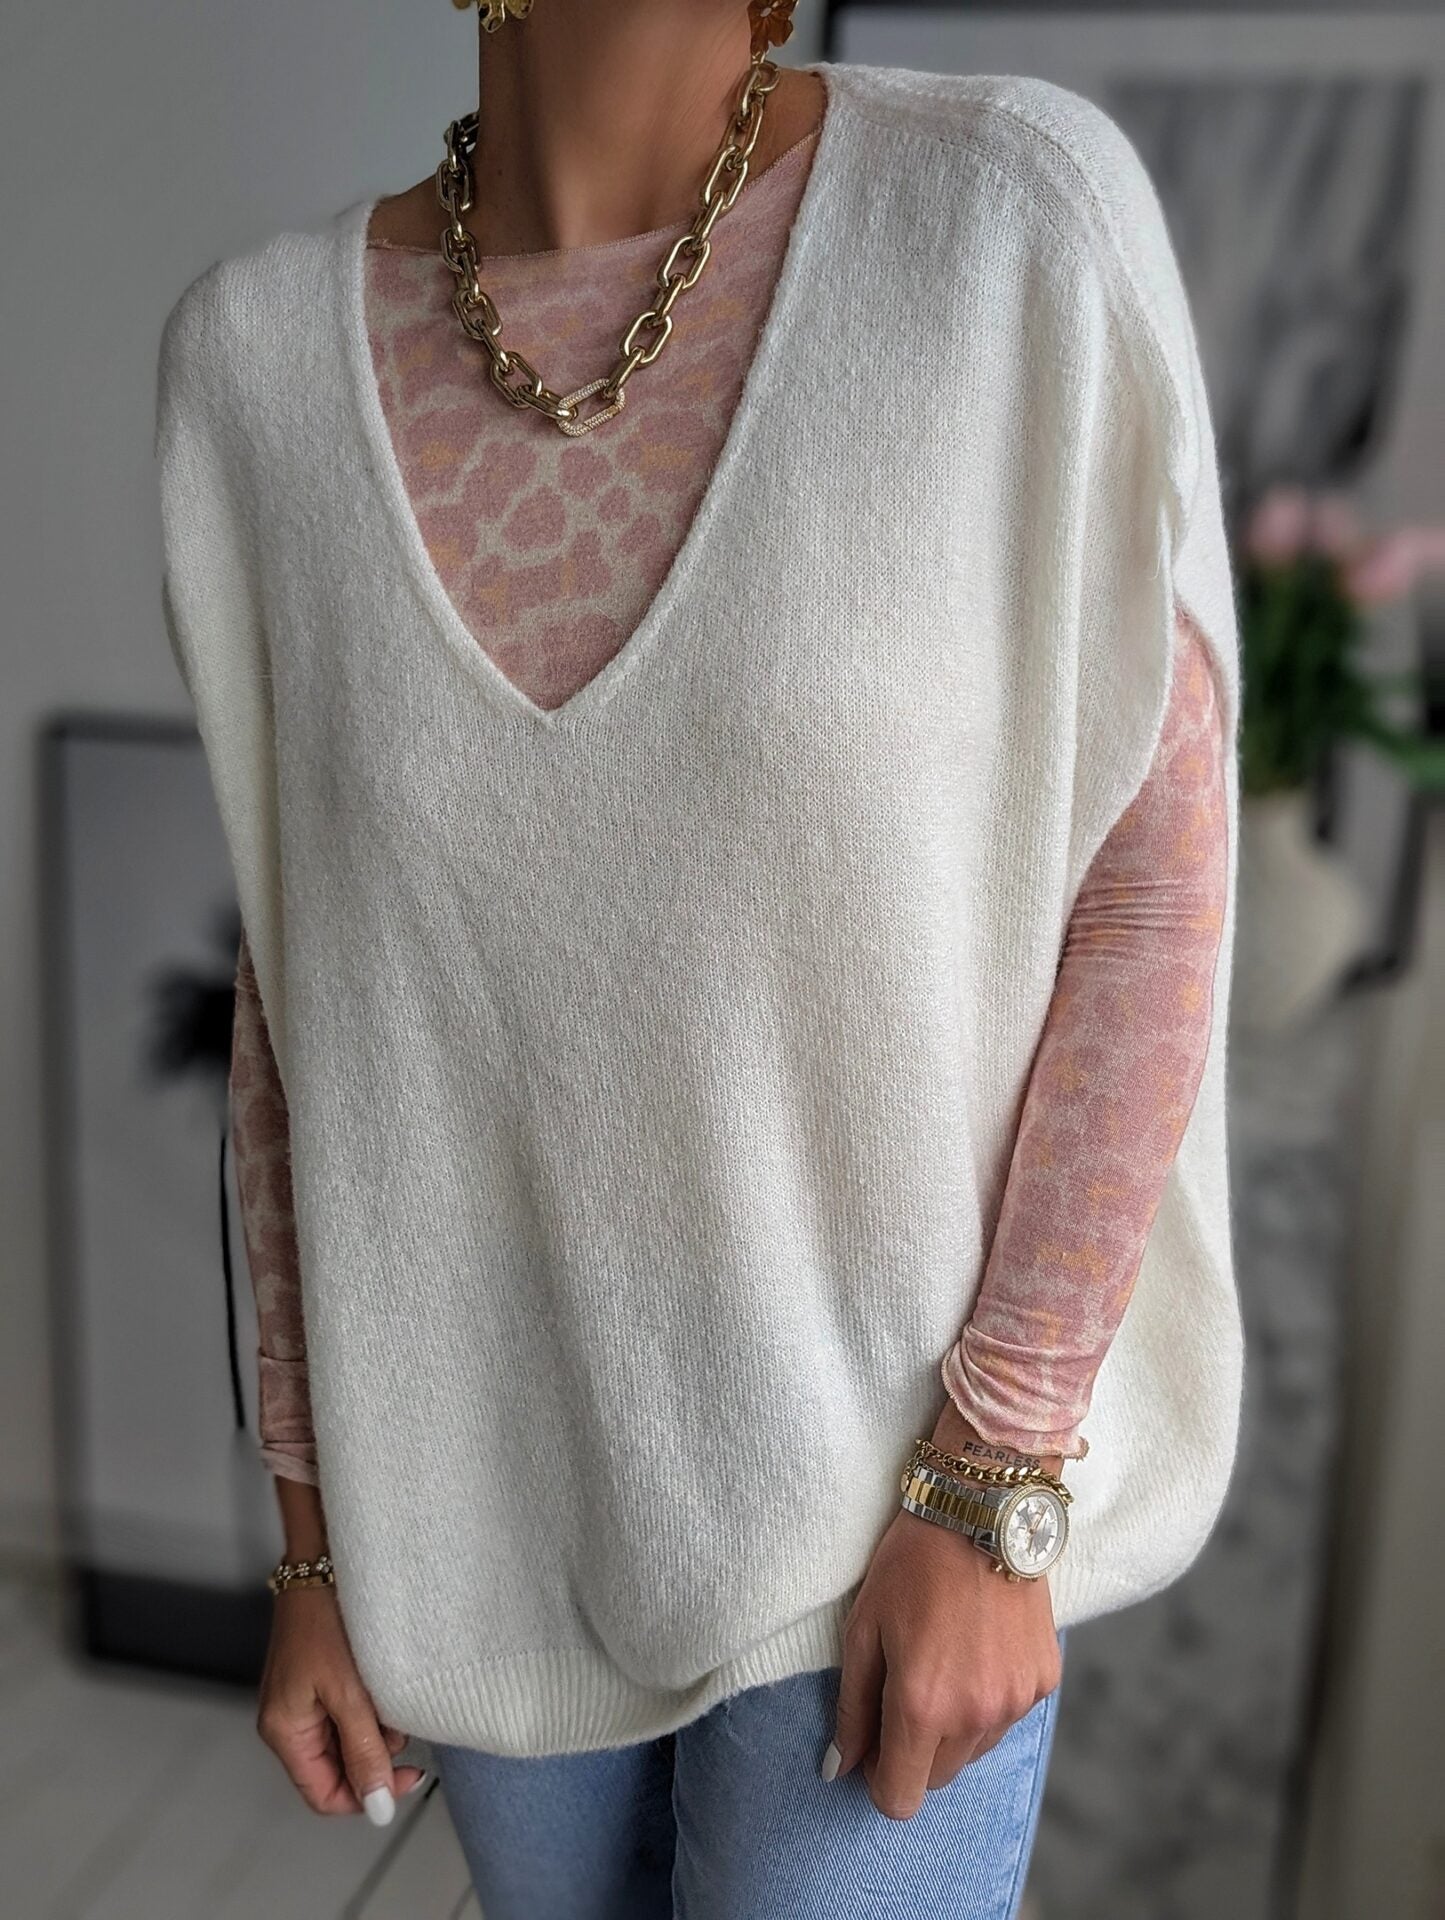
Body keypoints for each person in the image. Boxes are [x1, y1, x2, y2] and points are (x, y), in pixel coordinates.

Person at [155, 2, 1241, 1914]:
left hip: (881, 1521)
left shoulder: (1003, 227)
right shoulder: (254, 364)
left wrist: (993, 1478)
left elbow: (1149, 881)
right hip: (472, 1529)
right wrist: (316, 1540)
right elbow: (294, 1006)